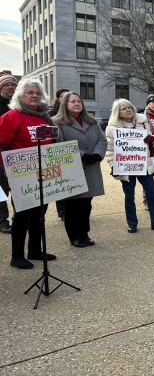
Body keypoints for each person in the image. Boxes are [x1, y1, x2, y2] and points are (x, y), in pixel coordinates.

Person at [0, 78, 59, 269]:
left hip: (44, 174)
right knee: (23, 215)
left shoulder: (44, 117)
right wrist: (9, 173)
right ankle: (16, 256)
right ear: (20, 95)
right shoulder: (12, 116)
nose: (34, 96)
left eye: (37, 92)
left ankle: (35, 250)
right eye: (29, 92)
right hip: (21, 175)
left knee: (40, 214)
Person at [105, 98, 154, 233]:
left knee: (152, 194)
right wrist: (113, 166)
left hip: (143, 164)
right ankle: (132, 223)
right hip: (125, 167)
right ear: (118, 112)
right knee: (129, 196)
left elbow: (151, 137)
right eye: (124, 108)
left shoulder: (142, 121)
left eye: (129, 107)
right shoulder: (112, 128)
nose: (128, 110)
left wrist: (153, 139)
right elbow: (110, 151)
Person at [54, 92, 107, 247]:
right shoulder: (57, 122)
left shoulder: (91, 121)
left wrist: (97, 154)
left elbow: (102, 140)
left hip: (91, 167)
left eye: (79, 101)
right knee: (73, 205)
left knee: (86, 204)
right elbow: (59, 144)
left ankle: (84, 233)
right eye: (72, 101)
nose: (77, 104)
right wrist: (83, 155)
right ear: (65, 104)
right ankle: (74, 236)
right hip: (73, 168)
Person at [0, 72, 18, 234]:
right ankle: (2, 220)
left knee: (18, 188)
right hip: (0, 157)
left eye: (13, 84)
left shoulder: (20, 105)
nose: (10, 87)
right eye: (6, 85)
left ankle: (18, 218)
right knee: (1, 191)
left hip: (18, 156)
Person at [48, 88, 69, 221]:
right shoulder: (51, 114)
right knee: (60, 184)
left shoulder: (74, 113)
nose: (65, 98)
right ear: (58, 98)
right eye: (62, 96)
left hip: (71, 154)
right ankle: (62, 211)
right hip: (57, 152)